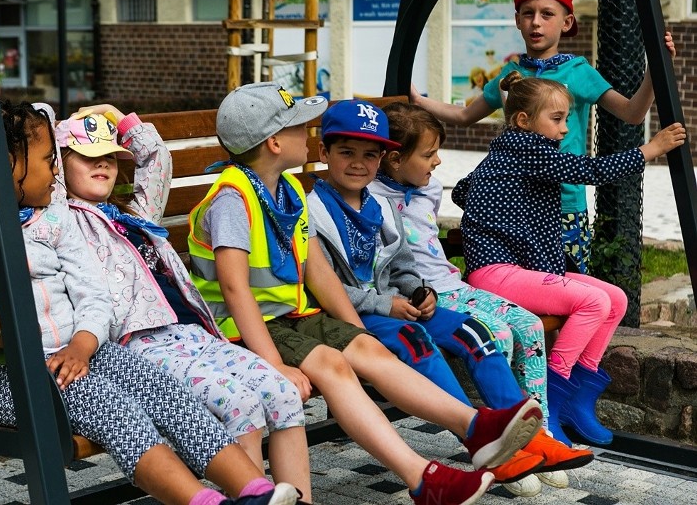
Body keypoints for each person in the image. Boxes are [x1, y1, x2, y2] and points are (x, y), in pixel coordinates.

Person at [0, 100, 301, 505]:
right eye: (48, 160)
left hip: (85, 353)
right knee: (117, 411)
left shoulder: (50, 219)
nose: (55, 171)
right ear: (9, 164)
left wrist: (84, 342)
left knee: (166, 393)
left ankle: (255, 492)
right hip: (12, 377)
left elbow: (93, 295)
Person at [188, 82, 544, 505]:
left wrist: (359, 334)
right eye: (301, 126)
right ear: (275, 142)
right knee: (332, 364)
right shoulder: (232, 198)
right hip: (243, 328)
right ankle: (424, 477)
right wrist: (271, 364)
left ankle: (475, 427)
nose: (310, 132)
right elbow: (233, 289)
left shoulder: (287, 192)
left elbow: (317, 271)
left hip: (292, 315)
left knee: (368, 350)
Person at [56, 104, 312, 501]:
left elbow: (157, 160)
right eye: (88, 157)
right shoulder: (61, 221)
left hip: (192, 333)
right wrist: (61, 133)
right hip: (138, 344)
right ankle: (251, 498)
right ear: (60, 165)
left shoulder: (133, 215)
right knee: (240, 402)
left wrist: (113, 113)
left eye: (108, 156)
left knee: (282, 392)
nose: (103, 164)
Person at [366, 100, 594, 495]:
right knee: (498, 335)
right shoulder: (369, 198)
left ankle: (536, 436)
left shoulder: (428, 188)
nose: (438, 162)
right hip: (417, 299)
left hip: (452, 286)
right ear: (395, 159)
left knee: (527, 325)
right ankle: (497, 447)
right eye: (429, 154)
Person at [451, 72, 686, 447]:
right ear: (524, 121)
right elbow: (591, 172)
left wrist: (509, 210)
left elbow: (462, 191)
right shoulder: (529, 148)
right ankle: (552, 400)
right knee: (592, 301)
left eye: (566, 119)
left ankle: (578, 400)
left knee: (616, 299)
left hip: (518, 269)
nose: (564, 129)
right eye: (556, 119)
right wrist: (650, 150)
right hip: (496, 273)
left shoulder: (508, 152)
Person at [410, 0, 677, 274]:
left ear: (566, 22)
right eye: (528, 13)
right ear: (517, 20)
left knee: (568, 284)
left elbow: (631, 112)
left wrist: (654, 74)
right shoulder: (510, 73)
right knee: (523, 287)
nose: (536, 22)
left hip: (565, 207)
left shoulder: (578, 72)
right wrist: (419, 102)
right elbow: (463, 116)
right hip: (516, 209)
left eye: (547, 14)